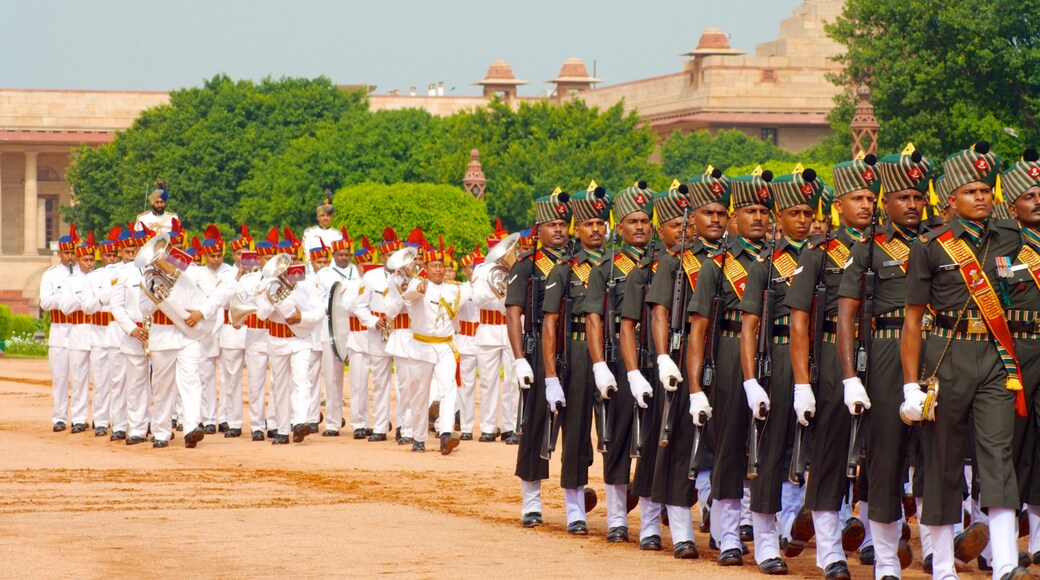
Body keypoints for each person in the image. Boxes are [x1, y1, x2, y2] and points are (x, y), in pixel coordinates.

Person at [901, 142, 1029, 580]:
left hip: (995, 359)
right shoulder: (931, 246)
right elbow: (913, 321)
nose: (980, 197)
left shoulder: (1009, 237)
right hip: (945, 357)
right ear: (949, 199)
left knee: (998, 454)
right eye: (969, 190)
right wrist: (909, 384)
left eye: (984, 189)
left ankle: (1006, 563)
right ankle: (941, 567)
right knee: (942, 458)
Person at [835, 147, 933, 578]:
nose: (912, 204)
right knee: (886, 457)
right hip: (885, 354)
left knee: (937, 457)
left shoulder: (939, 243)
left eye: (918, 196)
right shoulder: (868, 250)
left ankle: (935, 552)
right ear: (886, 202)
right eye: (902, 198)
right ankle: (887, 560)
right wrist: (850, 378)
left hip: (938, 350)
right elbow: (845, 317)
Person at [785, 155, 879, 579]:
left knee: (880, 455)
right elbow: (800, 319)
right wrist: (803, 382)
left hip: (882, 356)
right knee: (828, 455)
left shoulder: (891, 248)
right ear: (838, 205)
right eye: (857, 197)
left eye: (871, 197)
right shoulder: (820, 252)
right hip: (829, 360)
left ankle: (880, 544)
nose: (866, 204)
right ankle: (829, 550)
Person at [687, 168, 774, 567]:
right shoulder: (717, 264)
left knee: (771, 452)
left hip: (774, 352)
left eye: (764, 210)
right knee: (728, 449)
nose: (758, 217)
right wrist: (694, 388)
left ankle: (768, 539)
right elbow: (699, 329)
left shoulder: (780, 262)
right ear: (735, 217)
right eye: (750, 210)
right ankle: (728, 536)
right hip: (727, 357)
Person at [736, 168, 820, 574]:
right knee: (770, 456)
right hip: (781, 362)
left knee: (820, 452)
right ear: (778, 217)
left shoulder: (828, 257)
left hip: (823, 360)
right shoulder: (764, 266)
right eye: (793, 212)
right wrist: (751, 380)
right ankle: (766, 540)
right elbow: (749, 327)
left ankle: (809, 530)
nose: (802, 220)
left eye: (808, 211)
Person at [645, 174, 729, 558]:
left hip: (726, 358)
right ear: (691, 217)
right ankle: (681, 532)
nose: (715, 218)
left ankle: (721, 526)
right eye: (707, 212)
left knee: (724, 446)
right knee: (681, 448)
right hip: (682, 359)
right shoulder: (676, 260)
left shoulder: (736, 258)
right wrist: (663, 357)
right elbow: (660, 312)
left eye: (721, 212)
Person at [585, 181, 655, 544]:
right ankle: (616, 518)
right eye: (633, 221)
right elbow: (595, 319)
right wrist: (599, 365)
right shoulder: (606, 269)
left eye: (645, 219)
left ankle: (651, 523)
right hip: (618, 362)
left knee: (656, 442)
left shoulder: (663, 263)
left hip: (657, 363)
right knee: (617, 442)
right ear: (620, 227)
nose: (640, 226)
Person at [542, 184, 611, 535]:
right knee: (576, 434)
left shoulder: (621, 264)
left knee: (619, 434)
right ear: (576, 229)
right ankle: (574, 508)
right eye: (589, 224)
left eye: (601, 222)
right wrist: (551, 375)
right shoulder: (565, 269)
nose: (596, 229)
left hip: (618, 353)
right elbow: (550, 324)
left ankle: (618, 513)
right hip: (580, 353)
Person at [507, 188, 573, 528]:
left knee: (575, 430)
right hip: (535, 352)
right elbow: (513, 314)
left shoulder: (578, 263)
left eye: (563, 223)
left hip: (573, 352)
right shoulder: (527, 265)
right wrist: (519, 359)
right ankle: (531, 502)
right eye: (552, 224)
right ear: (539, 228)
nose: (559, 230)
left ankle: (575, 499)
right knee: (534, 428)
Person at [402, 240, 469, 454]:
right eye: (434, 265)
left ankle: (445, 434)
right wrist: (418, 287)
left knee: (448, 388)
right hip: (421, 346)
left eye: (442, 265)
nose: (438, 269)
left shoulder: (454, 290)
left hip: (445, 346)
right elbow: (409, 294)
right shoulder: (417, 285)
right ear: (426, 268)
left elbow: (475, 288)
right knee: (419, 393)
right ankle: (419, 437)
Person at [256, 235, 323, 445]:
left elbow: (319, 312)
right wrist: (272, 298)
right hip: (276, 339)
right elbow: (261, 315)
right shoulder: (268, 282)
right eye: (287, 259)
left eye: (294, 259)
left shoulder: (309, 283)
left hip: (301, 338)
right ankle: (283, 430)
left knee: (302, 380)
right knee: (280, 386)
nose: (291, 264)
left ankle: (300, 422)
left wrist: (302, 317)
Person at [355, 228, 404, 441]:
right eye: (388, 255)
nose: (391, 258)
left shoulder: (406, 275)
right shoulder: (370, 276)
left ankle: (404, 426)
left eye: (395, 254)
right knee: (380, 381)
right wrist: (374, 322)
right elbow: (359, 307)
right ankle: (380, 427)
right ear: (382, 256)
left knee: (403, 382)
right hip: (378, 332)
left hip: (402, 330)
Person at [471, 236, 520, 445]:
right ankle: (488, 428)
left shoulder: (516, 269)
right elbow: (478, 298)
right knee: (488, 382)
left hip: (511, 330)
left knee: (513, 381)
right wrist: (500, 293)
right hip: (489, 330)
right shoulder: (482, 271)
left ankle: (510, 427)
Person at [83, 228, 124, 437]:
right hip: (99, 333)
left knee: (119, 381)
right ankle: (100, 420)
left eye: (114, 254)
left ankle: (118, 422)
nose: (111, 258)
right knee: (100, 381)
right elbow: (87, 307)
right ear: (102, 256)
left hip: (117, 332)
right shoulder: (93, 277)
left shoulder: (123, 273)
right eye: (108, 255)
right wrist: (102, 298)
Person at [59, 232, 99, 435]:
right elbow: (65, 307)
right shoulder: (70, 281)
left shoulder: (100, 278)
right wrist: (82, 299)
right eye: (86, 259)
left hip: (99, 331)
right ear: (78, 260)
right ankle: (79, 418)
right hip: (79, 330)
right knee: (79, 378)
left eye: (92, 259)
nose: (90, 263)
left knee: (101, 379)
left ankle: (101, 418)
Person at [41, 225, 78, 432]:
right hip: (59, 327)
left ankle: (79, 417)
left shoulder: (81, 273)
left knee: (81, 377)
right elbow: (45, 302)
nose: (70, 256)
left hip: (79, 328)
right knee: (60, 376)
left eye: (73, 252)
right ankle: (59, 417)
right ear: (60, 253)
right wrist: (63, 298)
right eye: (67, 253)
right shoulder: (51, 275)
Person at [216, 226, 252, 438]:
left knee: (258, 381)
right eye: (239, 254)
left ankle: (263, 423)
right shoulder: (227, 274)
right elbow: (223, 300)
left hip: (254, 329)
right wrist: (237, 276)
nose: (242, 257)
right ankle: (234, 422)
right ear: (234, 255)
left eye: (246, 254)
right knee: (231, 379)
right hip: (231, 329)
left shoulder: (260, 274)